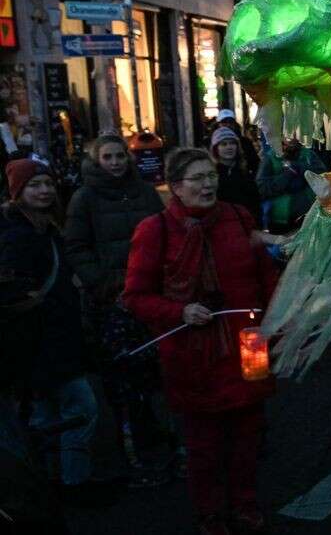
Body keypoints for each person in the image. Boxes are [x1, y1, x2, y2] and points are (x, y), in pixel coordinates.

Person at [123, 148, 279, 534]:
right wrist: (180, 312)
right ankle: (210, 513)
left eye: (211, 175)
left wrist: (278, 319)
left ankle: (244, 504)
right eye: (198, 178)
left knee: (248, 437)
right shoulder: (155, 230)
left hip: (248, 345)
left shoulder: (239, 218)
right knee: (204, 445)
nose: (209, 184)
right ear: (175, 187)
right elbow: (136, 297)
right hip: (192, 354)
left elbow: (266, 277)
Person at [63, 134, 172, 487]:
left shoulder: (144, 192)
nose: (115, 163)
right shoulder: (85, 197)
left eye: (119, 156)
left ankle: (159, 439)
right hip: (111, 301)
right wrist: (102, 285)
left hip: (149, 294)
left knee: (156, 372)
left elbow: (165, 234)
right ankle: (133, 452)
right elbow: (77, 246)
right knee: (122, 378)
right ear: (97, 161)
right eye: (107, 157)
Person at [0, 159, 107, 505]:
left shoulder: (44, 228)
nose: (44, 191)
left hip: (47, 339)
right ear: (18, 193)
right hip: (40, 340)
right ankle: (74, 481)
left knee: (46, 414)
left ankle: (48, 482)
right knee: (81, 407)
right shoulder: (17, 236)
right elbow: (18, 294)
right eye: (35, 186)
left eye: (47, 183)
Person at [256, 136, 326, 233]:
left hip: (308, 217)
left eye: (295, 132)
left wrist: (302, 169)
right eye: (286, 133)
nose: (291, 137)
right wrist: (286, 177)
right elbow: (261, 188)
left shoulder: (308, 155)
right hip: (279, 221)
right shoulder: (270, 157)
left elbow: (323, 179)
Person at [211, 127, 262, 218]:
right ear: (216, 148)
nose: (229, 147)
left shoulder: (245, 173)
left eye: (232, 143)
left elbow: (255, 203)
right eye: (223, 144)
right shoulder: (211, 176)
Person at [215, 109, 260, 175]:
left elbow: (255, 164)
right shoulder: (210, 142)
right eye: (224, 122)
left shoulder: (245, 142)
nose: (228, 125)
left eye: (230, 122)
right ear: (218, 124)